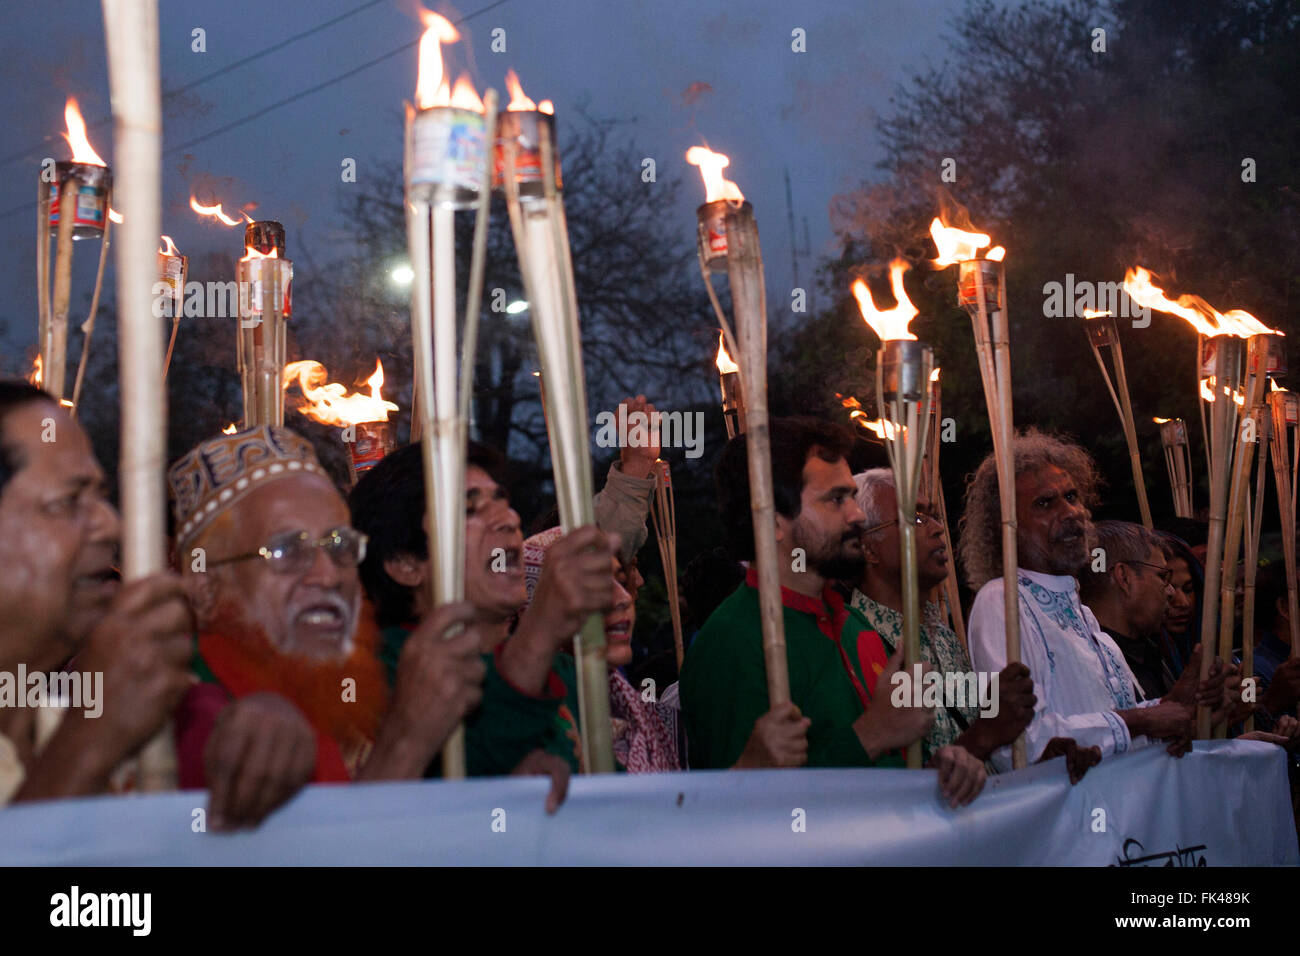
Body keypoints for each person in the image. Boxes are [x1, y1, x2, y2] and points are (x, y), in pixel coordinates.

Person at [169, 425, 527, 829]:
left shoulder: (354, 689)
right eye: (288, 550)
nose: (328, 575)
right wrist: (407, 742)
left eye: (339, 545)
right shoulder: (182, 710)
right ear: (205, 585)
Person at [682, 417, 985, 806]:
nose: (858, 515)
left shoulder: (853, 624)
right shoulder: (731, 645)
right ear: (772, 521)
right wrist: (872, 734)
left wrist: (940, 773)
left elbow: (879, 784)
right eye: (836, 499)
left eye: (854, 497)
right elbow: (736, 815)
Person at [349, 439, 617, 782]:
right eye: (469, 510)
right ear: (405, 562)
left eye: (501, 500)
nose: (509, 519)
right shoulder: (373, 675)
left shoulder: (565, 672)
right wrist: (540, 633)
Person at [961, 429, 1223, 772]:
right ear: (1005, 526)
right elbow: (1018, 745)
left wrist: (1177, 706)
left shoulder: (1085, 616)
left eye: (1071, 496)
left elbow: (1112, 723)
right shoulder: (1002, 603)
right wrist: (1143, 721)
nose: (1069, 511)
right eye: (1045, 503)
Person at [0, 382, 192, 806]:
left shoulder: (62, 724)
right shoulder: (92, 725)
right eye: (70, 501)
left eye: (100, 497)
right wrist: (92, 737)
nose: (111, 526)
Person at [851, 469, 1060, 773]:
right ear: (868, 548)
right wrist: (987, 732)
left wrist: (1042, 757)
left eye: (934, 516)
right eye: (916, 518)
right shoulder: (855, 638)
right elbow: (888, 787)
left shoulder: (946, 636)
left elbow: (977, 739)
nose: (937, 529)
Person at [522, 527, 681, 772]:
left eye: (620, 580)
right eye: (593, 587)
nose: (623, 598)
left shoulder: (633, 712)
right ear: (545, 606)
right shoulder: (527, 729)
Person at [1079, 521, 1179, 700]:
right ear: (1124, 577)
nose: (1171, 591)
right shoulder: (1088, 665)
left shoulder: (1151, 651)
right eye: (1162, 576)